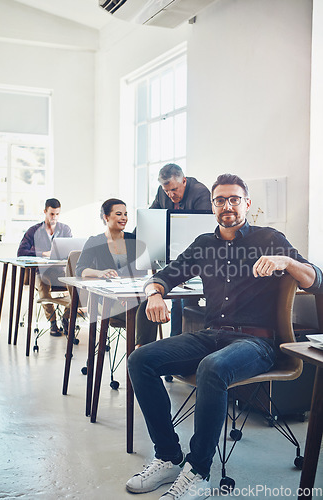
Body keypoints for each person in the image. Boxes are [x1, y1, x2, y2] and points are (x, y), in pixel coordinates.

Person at [126, 173, 323, 500]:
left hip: (257, 344)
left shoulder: (270, 239)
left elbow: (316, 280)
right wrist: (154, 294)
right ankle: (169, 456)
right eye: (220, 200)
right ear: (213, 206)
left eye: (234, 199)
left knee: (212, 368)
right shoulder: (204, 244)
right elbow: (164, 276)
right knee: (140, 360)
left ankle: (198, 472)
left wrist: (286, 261)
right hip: (212, 334)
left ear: (246, 203)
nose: (227, 206)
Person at [75, 198, 157, 343]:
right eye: (119, 214)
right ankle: (141, 354)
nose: (124, 218)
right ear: (106, 217)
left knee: (148, 306)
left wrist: (131, 295)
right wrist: (99, 273)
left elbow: (142, 271)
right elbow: (80, 269)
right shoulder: (95, 241)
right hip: (106, 300)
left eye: (125, 214)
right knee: (146, 311)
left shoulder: (134, 239)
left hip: (133, 296)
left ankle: (139, 352)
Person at [149, 163, 212, 343]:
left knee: (183, 300)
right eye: (167, 191)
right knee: (174, 296)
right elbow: (152, 217)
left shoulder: (200, 193)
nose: (171, 195)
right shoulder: (163, 192)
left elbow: (201, 233)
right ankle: (174, 342)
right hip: (174, 252)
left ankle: (179, 342)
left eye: (174, 189)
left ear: (184, 181)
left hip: (197, 254)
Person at [17, 198, 72, 336]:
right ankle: (53, 322)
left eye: (57, 214)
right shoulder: (34, 231)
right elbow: (21, 252)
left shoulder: (65, 229)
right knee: (43, 283)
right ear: (45, 212)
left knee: (77, 286)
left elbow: (71, 250)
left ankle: (66, 318)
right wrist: (43, 254)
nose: (54, 217)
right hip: (40, 273)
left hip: (59, 272)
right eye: (52, 214)